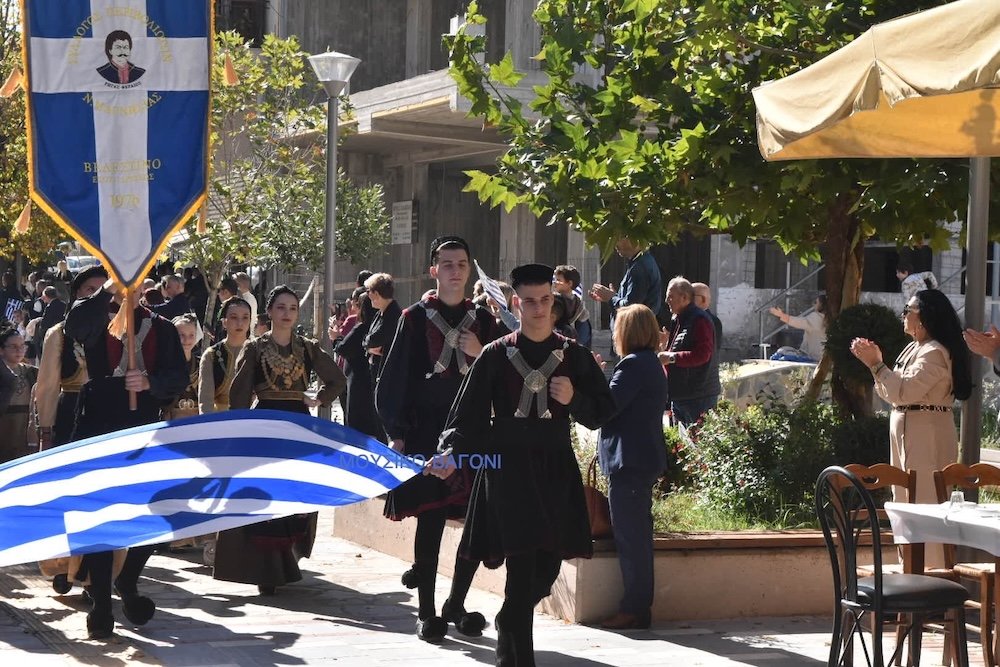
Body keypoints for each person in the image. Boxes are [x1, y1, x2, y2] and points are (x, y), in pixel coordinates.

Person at [434, 263, 616, 665]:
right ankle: (515, 655)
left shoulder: (576, 357)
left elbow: (604, 412)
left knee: (547, 567)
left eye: (545, 300)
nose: (537, 308)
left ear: (555, 302)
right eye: (529, 301)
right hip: (508, 472)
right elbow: (469, 415)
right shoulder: (495, 356)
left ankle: (509, 621)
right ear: (516, 303)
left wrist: (575, 400)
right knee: (520, 574)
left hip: (555, 470)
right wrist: (450, 451)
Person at [375, 236, 497, 643]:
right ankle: (427, 611)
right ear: (434, 270)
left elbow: (504, 374)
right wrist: (397, 432)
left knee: (476, 522)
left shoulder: (484, 320)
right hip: (427, 432)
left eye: (461, 263)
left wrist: (482, 352)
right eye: (447, 264)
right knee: (430, 517)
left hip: (474, 432)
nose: (455, 270)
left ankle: (456, 603)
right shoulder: (412, 318)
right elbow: (392, 379)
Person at [63, 280, 189, 639]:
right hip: (98, 424)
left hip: (143, 427)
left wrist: (148, 383)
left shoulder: (161, 327)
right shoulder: (95, 318)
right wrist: (107, 291)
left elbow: (177, 376)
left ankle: (129, 579)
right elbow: (75, 326)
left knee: (156, 511)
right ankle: (101, 600)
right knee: (102, 516)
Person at [219, 285, 346, 595]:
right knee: (268, 495)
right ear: (270, 312)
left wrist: (320, 398)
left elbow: (337, 379)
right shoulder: (256, 348)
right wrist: (239, 431)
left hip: (300, 427)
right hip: (266, 429)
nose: (287, 313)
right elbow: (238, 393)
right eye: (280, 308)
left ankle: (288, 557)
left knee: (295, 494)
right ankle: (268, 568)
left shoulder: (308, 347)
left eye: (292, 308)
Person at [851, 289, 971, 568]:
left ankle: (933, 579)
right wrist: (876, 366)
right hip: (907, 427)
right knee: (904, 499)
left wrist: (876, 363)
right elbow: (892, 392)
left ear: (924, 317)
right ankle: (911, 572)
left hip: (926, 430)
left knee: (927, 501)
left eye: (909, 309)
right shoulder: (914, 347)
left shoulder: (935, 352)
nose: (903, 314)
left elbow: (904, 391)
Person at [597, 304, 668, 630]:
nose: (613, 335)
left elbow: (606, 407)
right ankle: (638, 607)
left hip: (630, 462)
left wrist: (592, 379)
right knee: (635, 535)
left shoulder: (632, 366)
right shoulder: (648, 363)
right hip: (640, 459)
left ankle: (634, 608)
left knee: (632, 538)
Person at [35, 265, 109, 450]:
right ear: (77, 293)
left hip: (110, 412)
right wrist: (46, 430)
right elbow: (48, 386)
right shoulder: (58, 333)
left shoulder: (119, 330)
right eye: (91, 290)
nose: (96, 297)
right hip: (71, 414)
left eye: (102, 291)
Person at [659, 277, 719, 427]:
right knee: (681, 445)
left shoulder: (699, 319)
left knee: (698, 443)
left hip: (698, 396)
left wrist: (672, 357)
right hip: (680, 394)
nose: (667, 301)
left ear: (685, 297)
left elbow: (703, 354)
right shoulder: (678, 319)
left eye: (670, 296)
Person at [589, 238, 663, 337]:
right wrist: (613, 296)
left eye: (619, 237)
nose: (614, 242)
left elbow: (631, 306)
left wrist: (611, 298)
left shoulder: (639, 267)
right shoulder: (641, 262)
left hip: (634, 334)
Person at [333, 293, 383, 439]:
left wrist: (336, 338)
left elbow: (343, 348)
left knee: (357, 425)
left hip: (358, 382)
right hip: (375, 381)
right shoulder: (380, 328)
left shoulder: (362, 328)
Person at [198, 297, 251, 414]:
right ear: (224, 322)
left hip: (252, 420)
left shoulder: (258, 351)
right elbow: (205, 401)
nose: (240, 323)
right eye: (234, 317)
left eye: (245, 318)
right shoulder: (211, 356)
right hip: (221, 420)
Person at [0, 328, 37, 462]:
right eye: (13, 347)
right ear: (2, 349)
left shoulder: (31, 372)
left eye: (22, 346)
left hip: (23, 428)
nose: (19, 350)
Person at [163, 314, 202, 420]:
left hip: (198, 420)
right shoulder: (164, 366)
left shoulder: (202, 364)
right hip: (173, 421)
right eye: (181, 335)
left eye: (191, 335)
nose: (187, 340)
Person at [363, 272, 402, 381]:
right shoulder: (379, 313)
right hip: (376, 369)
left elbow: (376, 339)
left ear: (376, 293)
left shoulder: (394, 315)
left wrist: (369, 343)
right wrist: (369, 346)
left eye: (368, 291)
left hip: (387, 373)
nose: (367, 295)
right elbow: (368, 339)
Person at [769, 294, 828, 362]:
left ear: (821, 305)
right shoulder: (830, 318)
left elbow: (798, 322)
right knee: (784, 350)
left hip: (813, 358)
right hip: (821, 357)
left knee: (781, 353)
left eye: (815, 302)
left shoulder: (816, 318)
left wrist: (781, 315)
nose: (813, 305)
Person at [553, 265, 592, 348]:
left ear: (569, 283)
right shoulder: (578, 303)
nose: (555, 282)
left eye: (558, 280)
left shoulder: (554, 300)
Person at [33, 285, 66, 356]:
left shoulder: (49, 307)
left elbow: (45, 324)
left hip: (51, 335)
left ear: (47, 296)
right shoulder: (63, 304)